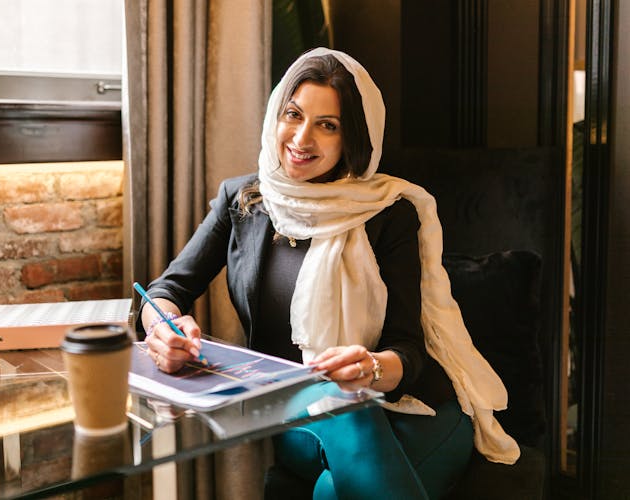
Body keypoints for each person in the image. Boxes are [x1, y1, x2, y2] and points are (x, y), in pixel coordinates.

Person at [136, 47, 519, 499]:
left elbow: (409, 351)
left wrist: (371, 367)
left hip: (416, 410)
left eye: (327, 125)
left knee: (332, 487)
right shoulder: (242, 201)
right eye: (293, 115)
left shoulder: (388, 214)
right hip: (299, 415)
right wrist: (162, 327)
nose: (301, 138)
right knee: (346, 414)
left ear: (353, 138)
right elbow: (167, 289)